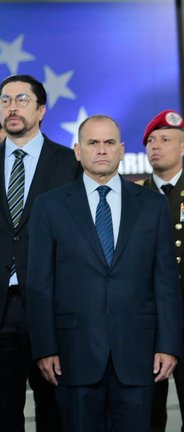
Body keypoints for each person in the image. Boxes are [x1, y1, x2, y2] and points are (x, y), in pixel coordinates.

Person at [27, 114, 183, 432]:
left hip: (139, 355)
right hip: (73, 355)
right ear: (78, 151)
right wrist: (45, 347)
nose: (101, 150)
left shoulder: (152, 205)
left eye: (109, 142)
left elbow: (165, 280)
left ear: (122, 150)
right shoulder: (50, 206)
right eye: (93, 143)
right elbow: (40, 284)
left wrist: (168, 344)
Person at [0, 74, 80, 432]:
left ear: (40, 110)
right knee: (0, 414)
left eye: (21, 99)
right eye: (4, 100)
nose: (11, 106)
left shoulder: (70, 163)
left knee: (56, 413)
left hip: (54, 309)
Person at [139, 110, 184, 432]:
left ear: (182, 148)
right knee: (149, 416)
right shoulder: (135, 197)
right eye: (151, 141)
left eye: (165, 139)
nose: (156, 146)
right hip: (149, 325)